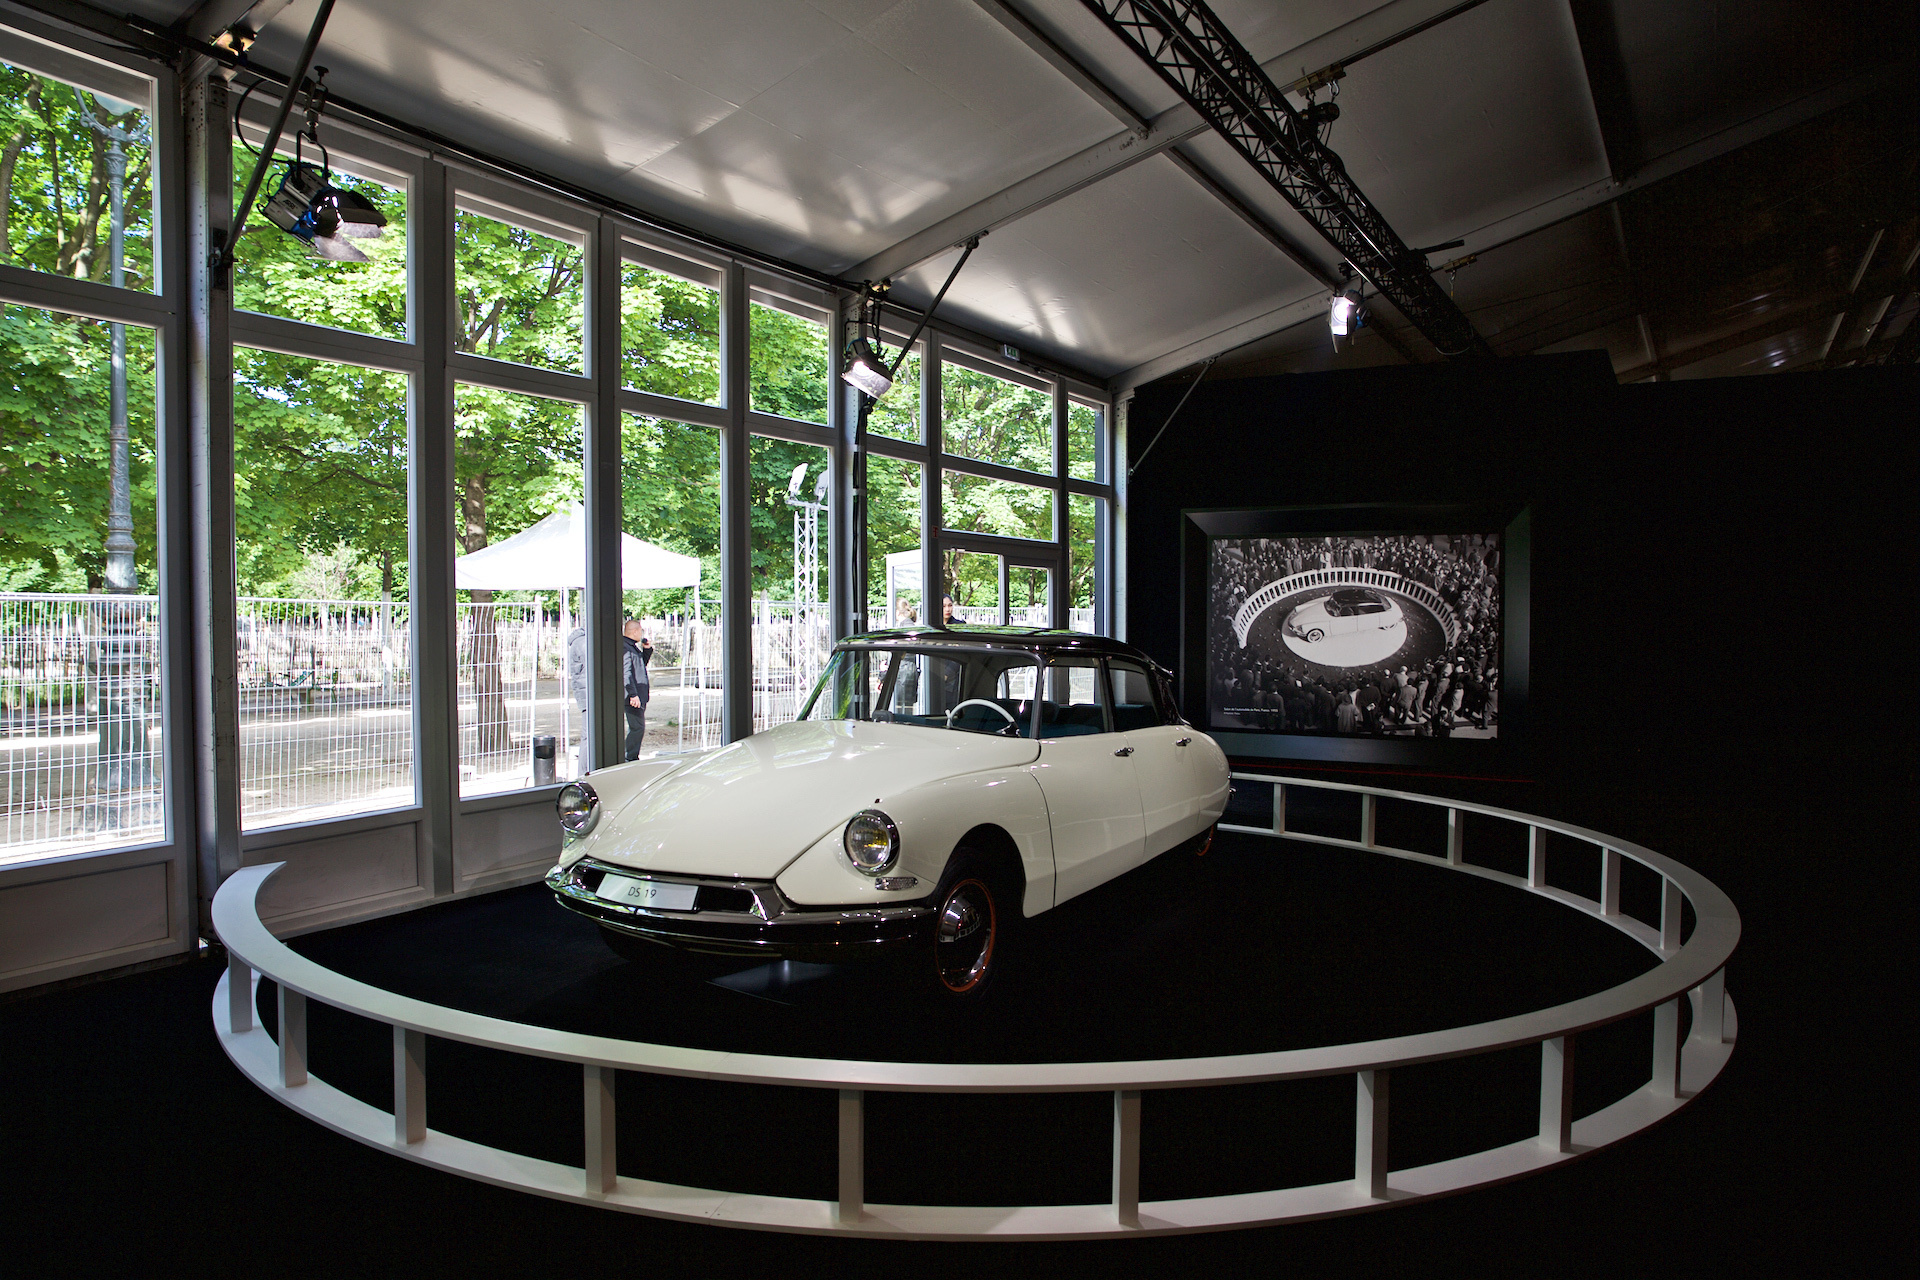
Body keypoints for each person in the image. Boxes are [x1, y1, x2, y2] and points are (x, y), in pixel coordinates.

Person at [621, 619, 653, 761]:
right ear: (635, 631)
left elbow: (640, 666)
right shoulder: (625, 647)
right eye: (640, 631)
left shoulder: (632, 646)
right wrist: (632, 694)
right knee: (637, 727)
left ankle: (630, 755)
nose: (641, 634)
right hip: (633, 696)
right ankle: (630, 757)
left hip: (639, 694)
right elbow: (626, 673)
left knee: (637, 727)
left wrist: (647, 650)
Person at [565, 623, 588, 715]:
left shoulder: (578, 642)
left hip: (582, 688)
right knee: (589, 718)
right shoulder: (584, 643)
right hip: (586, 689)